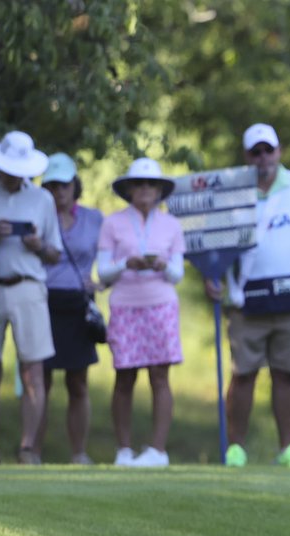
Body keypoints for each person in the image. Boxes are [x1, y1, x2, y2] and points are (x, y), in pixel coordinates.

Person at [206, 123, 290, 468]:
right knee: (243, 374)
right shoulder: (233, 191)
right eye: (255, 152)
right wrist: (210, 278)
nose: (263, 158)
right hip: (246, 302)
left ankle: (288, 448)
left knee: (287, 375)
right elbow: (214, 244)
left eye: (268, 150)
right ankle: (236, 448)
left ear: (279, 151)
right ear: (247, 156)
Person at [0, 130, 61, 466]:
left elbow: (55, 253)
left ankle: (27, 449)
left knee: (33, 371)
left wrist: (39, 246)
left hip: (29, 287)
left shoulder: (42, 200)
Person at [97, 158, 185, 467]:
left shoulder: (172, 225)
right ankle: (124, 450)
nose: (146, 190)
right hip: (125, 305)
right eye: (140, 184)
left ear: (160, 190)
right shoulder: (112, 223)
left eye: (151, 184)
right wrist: (126, 264)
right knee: (124, 377)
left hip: (161, 304)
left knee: (160, 377)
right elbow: (103, 272)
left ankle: (157, 450)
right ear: (130, 189)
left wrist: (163, 265)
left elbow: (178, 273)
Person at [36, 153, 102, 464]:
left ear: (75, 185)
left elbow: (114, 253)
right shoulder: (36, 216)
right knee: (41, 381)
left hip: (77, 303)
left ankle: (79, 453)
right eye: (51, 185)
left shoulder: (93, 219)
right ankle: (32, 451)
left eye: (63, 185)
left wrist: (101, 281)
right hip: (43, 301)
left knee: (77, 382)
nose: (58, 191)